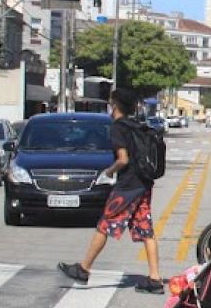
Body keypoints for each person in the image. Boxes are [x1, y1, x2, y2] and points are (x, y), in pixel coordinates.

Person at [58, 88, 163, 293]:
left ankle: (84, 269)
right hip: (143, 183)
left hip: (127, 186)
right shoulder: (137, 126)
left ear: (115, 105)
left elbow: (123, 159)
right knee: (146, 229)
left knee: (104, 224)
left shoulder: (118, 128)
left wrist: (109, 170)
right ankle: (155, 279)